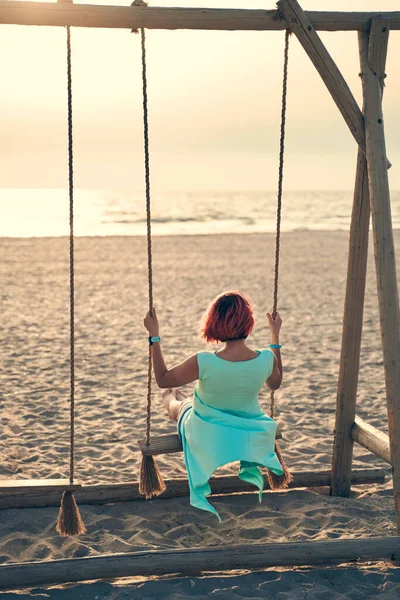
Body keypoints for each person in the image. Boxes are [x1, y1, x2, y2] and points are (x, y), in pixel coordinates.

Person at [143, 290, 290, 520]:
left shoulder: (204, 361)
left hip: (206, 429)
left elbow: (162, 378)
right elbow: (276, 383)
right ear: (248, 322)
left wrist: (154, 336)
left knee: (180, 405)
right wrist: (275, 337)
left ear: (215, 323)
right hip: (246, 425)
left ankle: (171, 401)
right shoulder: (265, 359)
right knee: (190, 402)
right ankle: (176, 400)